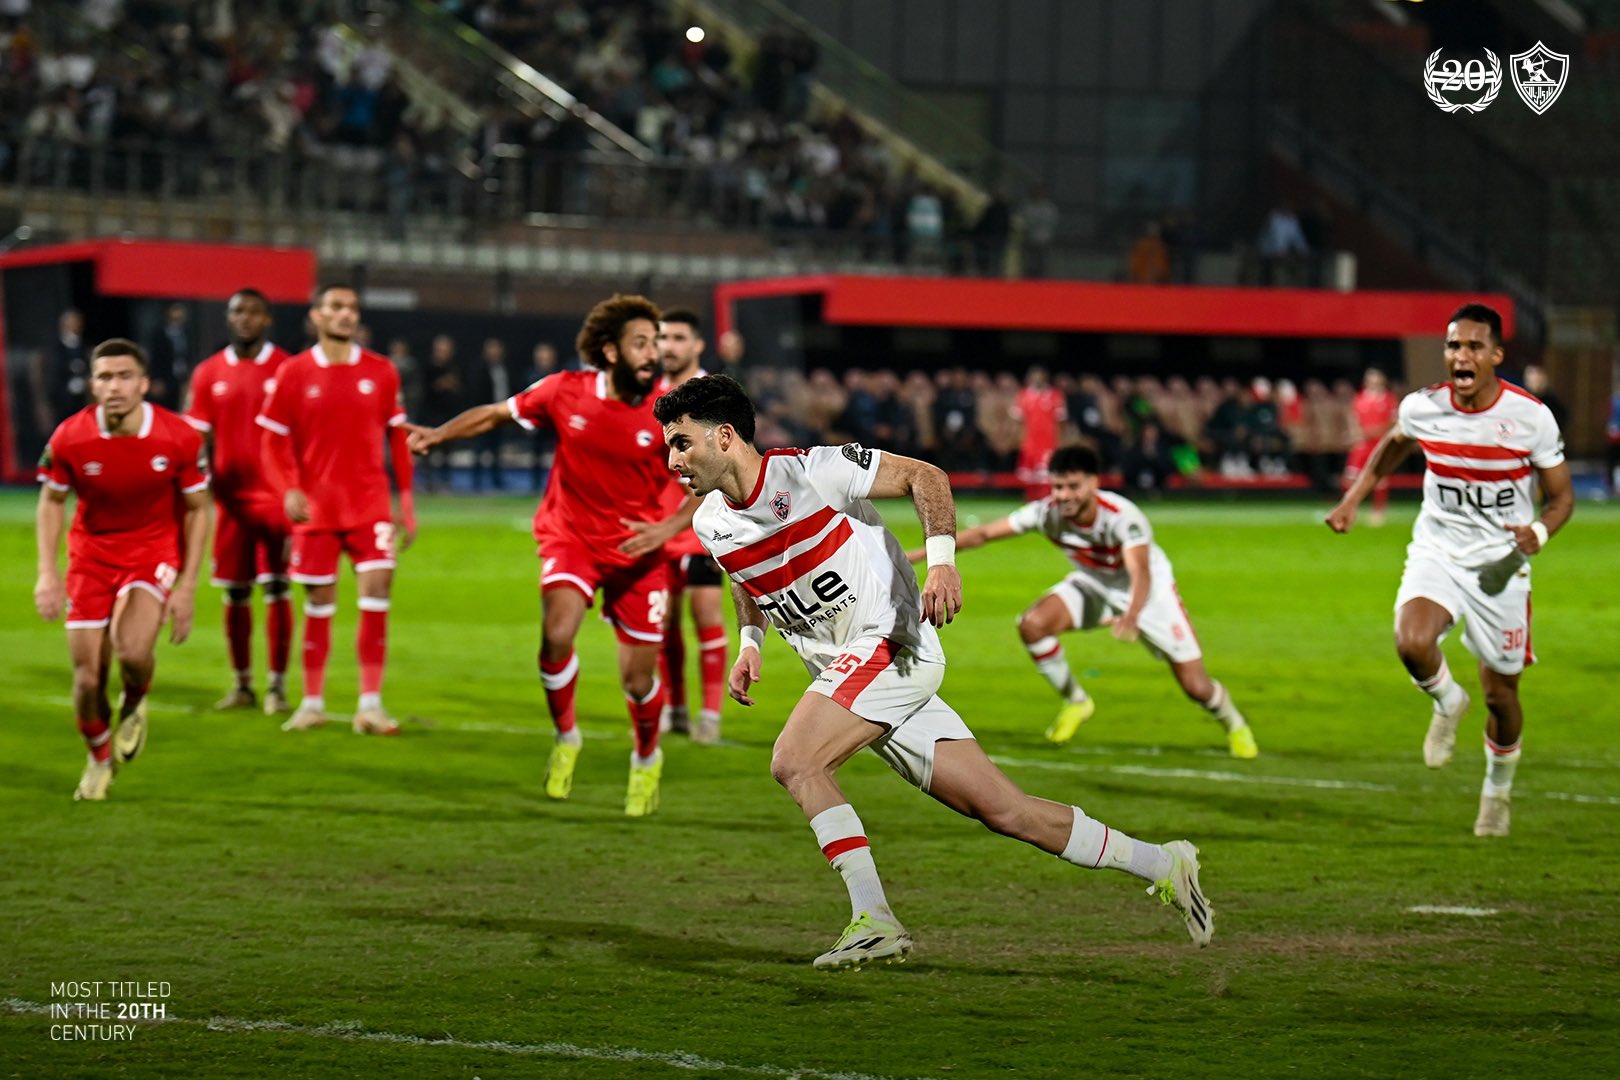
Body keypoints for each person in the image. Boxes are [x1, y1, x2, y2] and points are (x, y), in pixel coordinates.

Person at [655, 375, 1213, 969]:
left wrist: (942, 564)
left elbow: (927, 476)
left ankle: (874, 918)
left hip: (890, 644)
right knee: (1006, 811)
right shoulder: (710, 522)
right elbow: (746, 577)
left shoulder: (815, 471)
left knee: (795, 761)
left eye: (682, 443)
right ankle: (1164, 862)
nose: (672, 460)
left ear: (724, 436)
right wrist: (750, 642)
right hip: (853, 675)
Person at [406, 295, 693, 817]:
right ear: (610, 351)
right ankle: (567, 737)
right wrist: (439, 434)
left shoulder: (670, 407)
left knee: (638, 679)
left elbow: (709, 477)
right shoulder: (565, 390)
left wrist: (667, 528)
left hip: (637, 548)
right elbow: (495, 414)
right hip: (572, 537)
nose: (654, 353)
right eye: (641, 343)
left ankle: (647, 756)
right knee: (557, 634)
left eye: (656, 343)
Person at [1328, 303, 1573, 837]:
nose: (1461, 355)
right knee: (1412, 642)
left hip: (1501, 568)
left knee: (1502, 696)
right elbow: (1392, 446)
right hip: (1437, 551)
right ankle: (1446, 700)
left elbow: (1561, 498)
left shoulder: (1530, 417)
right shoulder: (1423, 408)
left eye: (1473, 346)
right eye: (1453, 346)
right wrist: (1354, 499)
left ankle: (1497, 792)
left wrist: (1541, 532)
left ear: (1496, 356)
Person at [910, 444, 1257, 757]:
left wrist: (1133, 614)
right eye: (1058, 486)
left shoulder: (1122, 516)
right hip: (1093, 584)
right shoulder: (1046, 512)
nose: (1064, 495)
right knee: (1033, 625)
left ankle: (1235, 724)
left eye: (1073, 486)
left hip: (1149, 597)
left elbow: (1141, 572)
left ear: (1094, 483)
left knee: (1196, 686)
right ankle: (1077, 701)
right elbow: (984, 533)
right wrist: (917, 554)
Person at [34, 338, 211, 800]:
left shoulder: (179, 437)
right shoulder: (70, 437)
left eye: (125, 376)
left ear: (144, 384)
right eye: (105, 377)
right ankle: (98, 757)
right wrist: (47, 573)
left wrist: (188, 586)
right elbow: (52, 501)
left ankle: (134, 701)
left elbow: (198, 509)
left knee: (132, 653)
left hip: (153, 553)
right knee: (89, 677)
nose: (115, 387)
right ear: (92, 384)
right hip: (91, 558)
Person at [257, 284, 416, 736]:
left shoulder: (382, 372)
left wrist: (405, 503)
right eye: (337, 307)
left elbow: (398, 442)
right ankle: (312, 702)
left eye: (352, 307)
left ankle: (370, 705)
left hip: (370, 506)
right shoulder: (294, 372)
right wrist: (286, 489)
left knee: (376, 598)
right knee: (318, 605)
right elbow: (270, 441)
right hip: (317, 511)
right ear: (317, 316)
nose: (347, 315)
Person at [184, 288, 295, 714]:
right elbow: (198, 437)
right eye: (237, 311)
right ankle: (242, 686)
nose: (245, 318)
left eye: (253, 312)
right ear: (228, 318)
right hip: (229, 500)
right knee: (234, 593)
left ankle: (278, 688)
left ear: (267, 319)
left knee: (278, 588)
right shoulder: (209, 373)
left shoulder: (287, 368)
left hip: (275, 499)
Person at [652, 308, 727, 744]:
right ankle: (674, 709)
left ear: (697, 344)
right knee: (663, 622)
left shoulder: (712, 396)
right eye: (662, 338)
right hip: (658, 525)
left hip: (703, 523)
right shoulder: (649, 397)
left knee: (706, 613)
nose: (668, 346)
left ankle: (710, 718)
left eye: (678, 337)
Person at [1345, 368, 1398, 526]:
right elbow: (1353, 416)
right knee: (1351, 477)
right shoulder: (1360, 398)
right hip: (1362, 443)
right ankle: (1349, 509)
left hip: (1379, 443)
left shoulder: (1388, 399)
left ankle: (1378, 512)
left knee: (1379, 478)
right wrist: (1355, 433)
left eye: (1376, 379)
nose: (1373, 382)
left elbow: (1393, 421)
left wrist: (1375, 431)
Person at [1012, 365, 1066, 501]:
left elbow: (1061, 422)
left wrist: (1060, 442)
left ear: (1045, 378)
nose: (1036, 379)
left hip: (1048, 444)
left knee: (1046, 479)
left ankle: (1047, 506)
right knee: (1028, 480)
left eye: (1039, 376)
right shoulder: (1024, 395)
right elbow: (1019, 422)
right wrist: (1019, 440)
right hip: (1030, 444)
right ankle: (1029, 506)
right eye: (1033, 377)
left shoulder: (1055, 395)